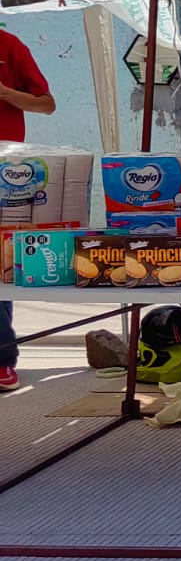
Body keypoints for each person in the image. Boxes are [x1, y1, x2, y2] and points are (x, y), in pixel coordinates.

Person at [0, 25, 56, 392]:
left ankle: (2, 360)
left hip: (5, 170)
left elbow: (47, 104)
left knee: (0, 266)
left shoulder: (9, 46)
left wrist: (5, 93)